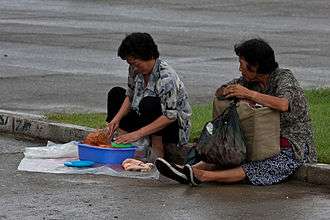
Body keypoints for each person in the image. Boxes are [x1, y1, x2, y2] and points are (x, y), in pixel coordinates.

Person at [155, 38, 317, 186]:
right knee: (227, 148)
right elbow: (221, 91)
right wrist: (230, 92)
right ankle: (187, 170)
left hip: (292, 143)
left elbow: (283, 104)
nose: (240, 69)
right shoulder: (248, 81)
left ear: (255, 66)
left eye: (242, 64)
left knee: (263, 165)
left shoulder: (284, 78)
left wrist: (249, 95)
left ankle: (203, 176)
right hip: (257, 137)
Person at [106, 32, 191, 162]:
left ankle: (157, 150)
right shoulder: (135, 69)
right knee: (116, 93)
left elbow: (170, 116)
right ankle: (123, 142)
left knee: (149, 102)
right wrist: (116, 119)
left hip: (169, 128)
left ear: (149, 56)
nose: (134, 68)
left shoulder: (166, 77)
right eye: (131, 64)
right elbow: (130, 95)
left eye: (137, 64)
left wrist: (138, 133)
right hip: (144, 117)